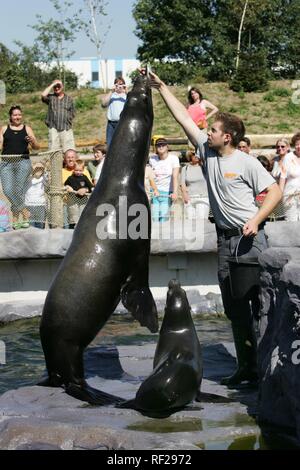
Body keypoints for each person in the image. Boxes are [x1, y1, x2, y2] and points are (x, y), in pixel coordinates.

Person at [147, 70, 282, 386]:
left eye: (214, 129)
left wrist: (257, 219)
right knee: (234, 309)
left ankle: (267, 367)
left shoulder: (246, 162)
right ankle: (247, 369)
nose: (207, 132)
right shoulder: (207, 153)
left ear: (228, 137)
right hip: (225, 243)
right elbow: (184, 119)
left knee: (257, 305)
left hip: (250, 241)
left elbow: (274, 191)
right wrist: (163, 87)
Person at [0, 105, 39, 229]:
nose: (17, 117)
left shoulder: (27, 129)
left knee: (18, 190)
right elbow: (0, 146)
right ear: (11, 117)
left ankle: (17, 219)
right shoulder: (4, 128)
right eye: (15, 115)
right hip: (6, 163)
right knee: (7, 190)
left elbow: (37, 147)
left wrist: (32, 141)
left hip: (23, 162)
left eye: (19, 115)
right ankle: (24, 212)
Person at [149, 137, 180, 222]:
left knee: (163, 219)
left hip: (166, 193)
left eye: (163, 145)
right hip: (155, 192)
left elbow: (175, 176)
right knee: (154, 219)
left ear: (167, 147)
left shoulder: (173, 159)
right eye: (158, 145)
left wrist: (175, 192)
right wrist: (153, 189)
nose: (161, 147)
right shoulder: (152, 159)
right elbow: (150, 176)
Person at [41, 80, 76, 152]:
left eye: (58, 86)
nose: (56, 88)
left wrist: (68, 119)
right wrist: (52, 84)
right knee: (53, 151)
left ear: (62, 87)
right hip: (53, 128)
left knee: (68, 150)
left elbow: (73, 112)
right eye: (55, 87)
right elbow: (43, 95)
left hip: (66, 128)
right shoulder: (51, 97)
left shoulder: (69, 99)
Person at [180, 149, 209, 220]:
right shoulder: (185, 168)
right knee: (190, 222)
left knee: (201, 221)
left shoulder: (205, 167)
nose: (196, 156)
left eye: (197, 154)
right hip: (189, 198)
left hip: (202, 198)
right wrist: (185, 195)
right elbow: (182, 183)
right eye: (193, 154)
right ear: (190, 156)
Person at [64, 160, 93, 229]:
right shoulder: (70, 178)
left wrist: (90, 189)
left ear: (83, 170)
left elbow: (90, 186)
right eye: (76, 170)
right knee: (74, 215)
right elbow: (66, 184)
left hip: (83, 199)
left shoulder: (84, 177)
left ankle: (82, 227)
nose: (78, 172)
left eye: (80, 170)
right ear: (73, 169)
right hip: (73, 199)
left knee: (82, 214)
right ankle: (72, 227)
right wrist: (68, 187)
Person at [279, 132, 300, 222]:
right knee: (292, 225)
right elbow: (282, 177)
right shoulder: (288, 158)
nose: (299, 146)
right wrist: (279, 195)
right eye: (297, 144)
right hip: (290, 198)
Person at [101, 77, 127, 147]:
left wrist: (126, 91)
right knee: (110, 145)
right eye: (117, 84)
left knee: (122, 145)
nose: (120, 86)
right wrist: (111, 91)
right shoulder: (111, 95)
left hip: (123, 123)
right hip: (111, 124)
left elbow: (134, 105)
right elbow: (103, 104)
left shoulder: (126, 96)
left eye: (121, 84)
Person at [25, 161, 48, 229]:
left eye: (41, 168)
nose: (39, 169)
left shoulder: (44, 178)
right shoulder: (28, 178)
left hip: (40, 206)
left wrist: (44, 167)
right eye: (37, 168)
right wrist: (33, 168)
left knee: (40, 227)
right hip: (29, 206)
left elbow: (48, 176)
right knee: (30, 228)